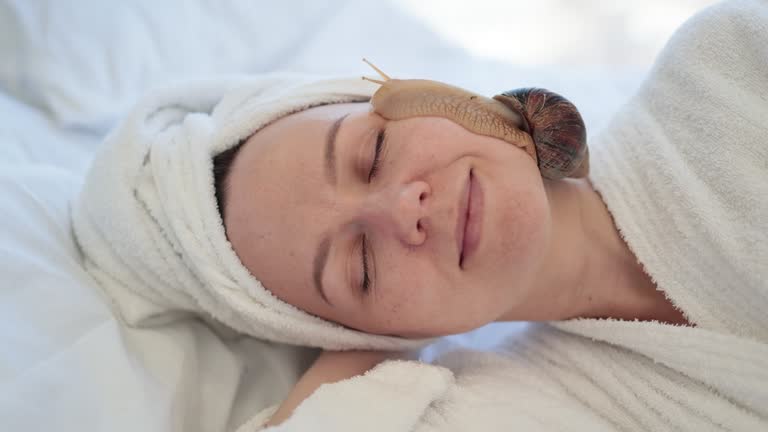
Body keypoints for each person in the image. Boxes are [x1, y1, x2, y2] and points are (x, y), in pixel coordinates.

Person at [72, 0, 768, 428]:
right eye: (362, 266)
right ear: (363, 338)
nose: (402, 208)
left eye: (371, 152)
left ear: (426, 94)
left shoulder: (729, 69)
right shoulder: (523, 405)